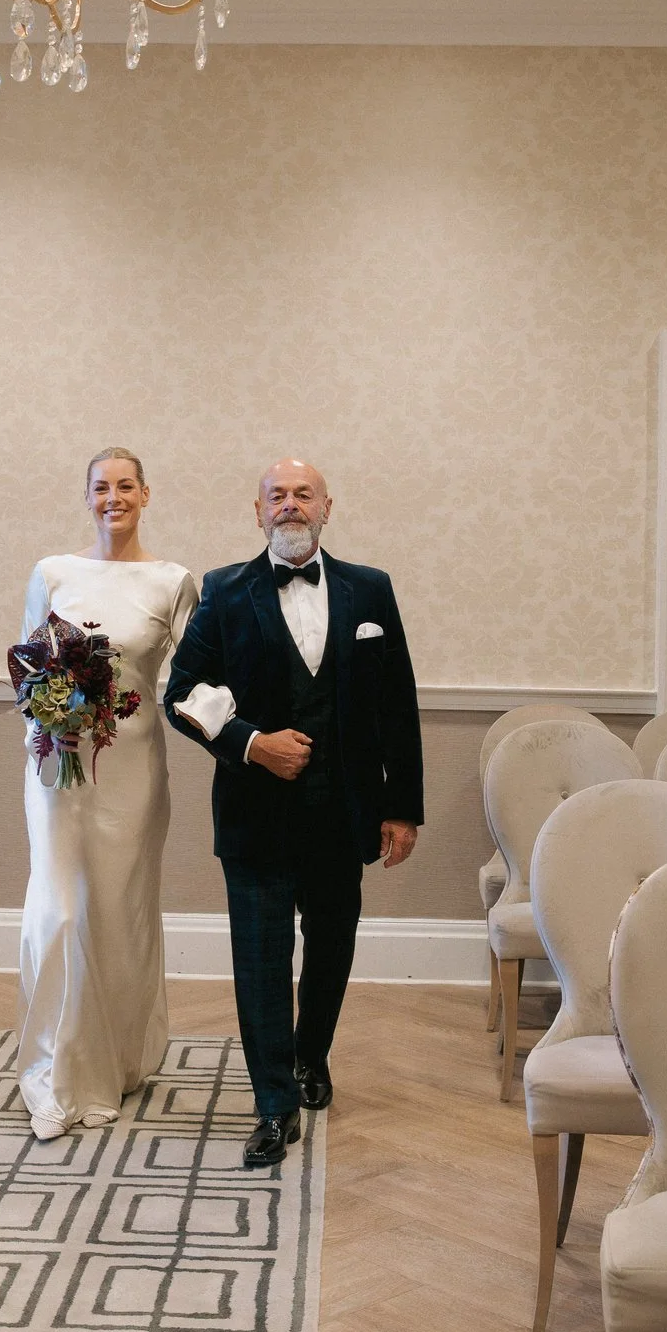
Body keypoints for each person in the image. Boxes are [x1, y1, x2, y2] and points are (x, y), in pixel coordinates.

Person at [164, 458, 423, 1169]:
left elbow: (397, 703)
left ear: (327, 506)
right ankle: (274, 1103)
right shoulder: (224, 590)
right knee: (260, 960)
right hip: (255, 814)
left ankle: (313, 1056)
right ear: (257, 511)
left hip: (344, 811)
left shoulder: (370, 589)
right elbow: (182, 692)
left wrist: (402, 807)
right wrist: (252, 743)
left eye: (302, 493)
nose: (289, 505)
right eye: (275, 495)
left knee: (333, 943)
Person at [15, 448, 200, 1140]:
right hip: (58, 765)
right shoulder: (53, 572)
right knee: (57, 910)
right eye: (101, 486)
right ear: (86, 495)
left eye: (125, 486)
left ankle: (119, 1055)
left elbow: (192, 678)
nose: (112, 497)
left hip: (133, 766)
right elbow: (29, 661)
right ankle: (57, 1070)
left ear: (146, 494)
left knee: (119, 913)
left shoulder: (173, 582)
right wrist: (51, 713)